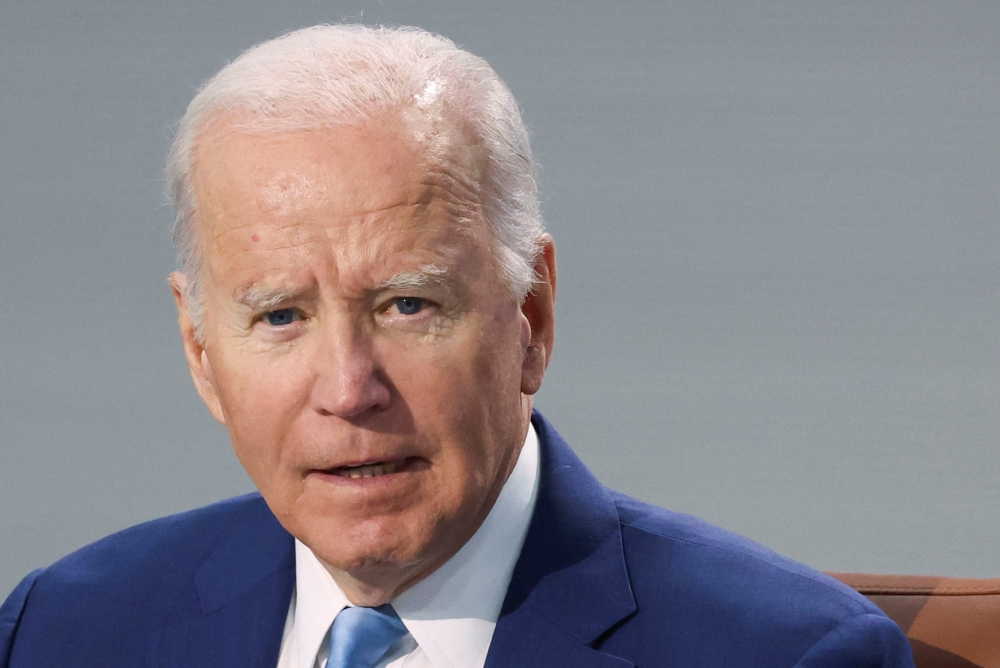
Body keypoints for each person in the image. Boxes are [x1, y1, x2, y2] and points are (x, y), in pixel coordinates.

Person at [0, 24, 914, 668]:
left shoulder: (784, 656)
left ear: (533, 320)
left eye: (406, 304)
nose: (350, 389)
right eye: (281, 317)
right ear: (201, 350)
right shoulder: (62, 630)